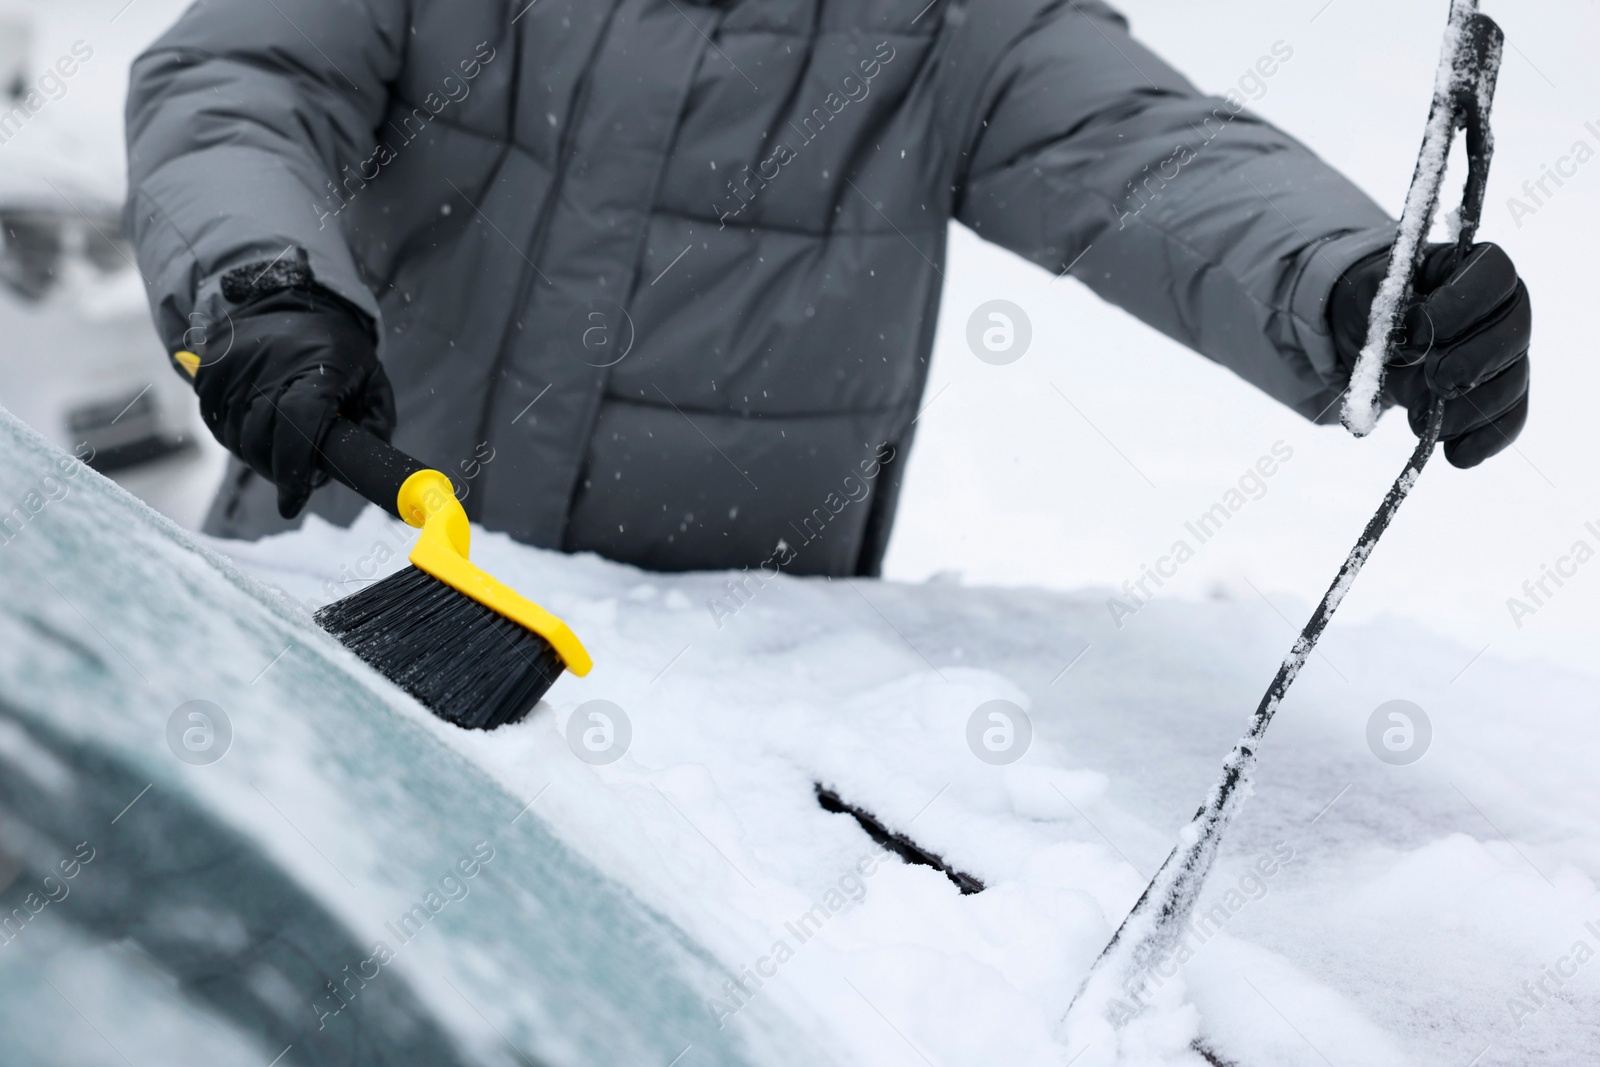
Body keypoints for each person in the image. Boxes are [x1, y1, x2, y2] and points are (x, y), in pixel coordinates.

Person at [124, 0, 1530, 577]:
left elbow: (1136, 152)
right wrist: (262, 288)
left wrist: (1350, 287)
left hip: (692, 717)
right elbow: (242, 81)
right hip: (331, 571)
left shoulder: (947, 26)